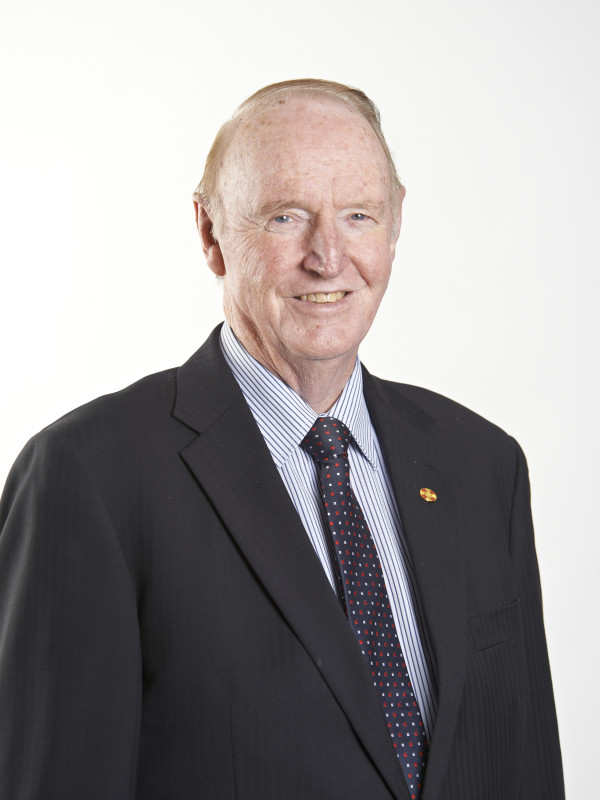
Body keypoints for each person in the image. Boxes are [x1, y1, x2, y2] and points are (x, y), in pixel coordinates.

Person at [0, 79, 564, 800]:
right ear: (210, 234)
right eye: (286, 217)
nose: (328, 257)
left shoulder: (483, 467)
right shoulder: (90, 477)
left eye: (359, 215)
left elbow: (524, 771)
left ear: (394, 228)